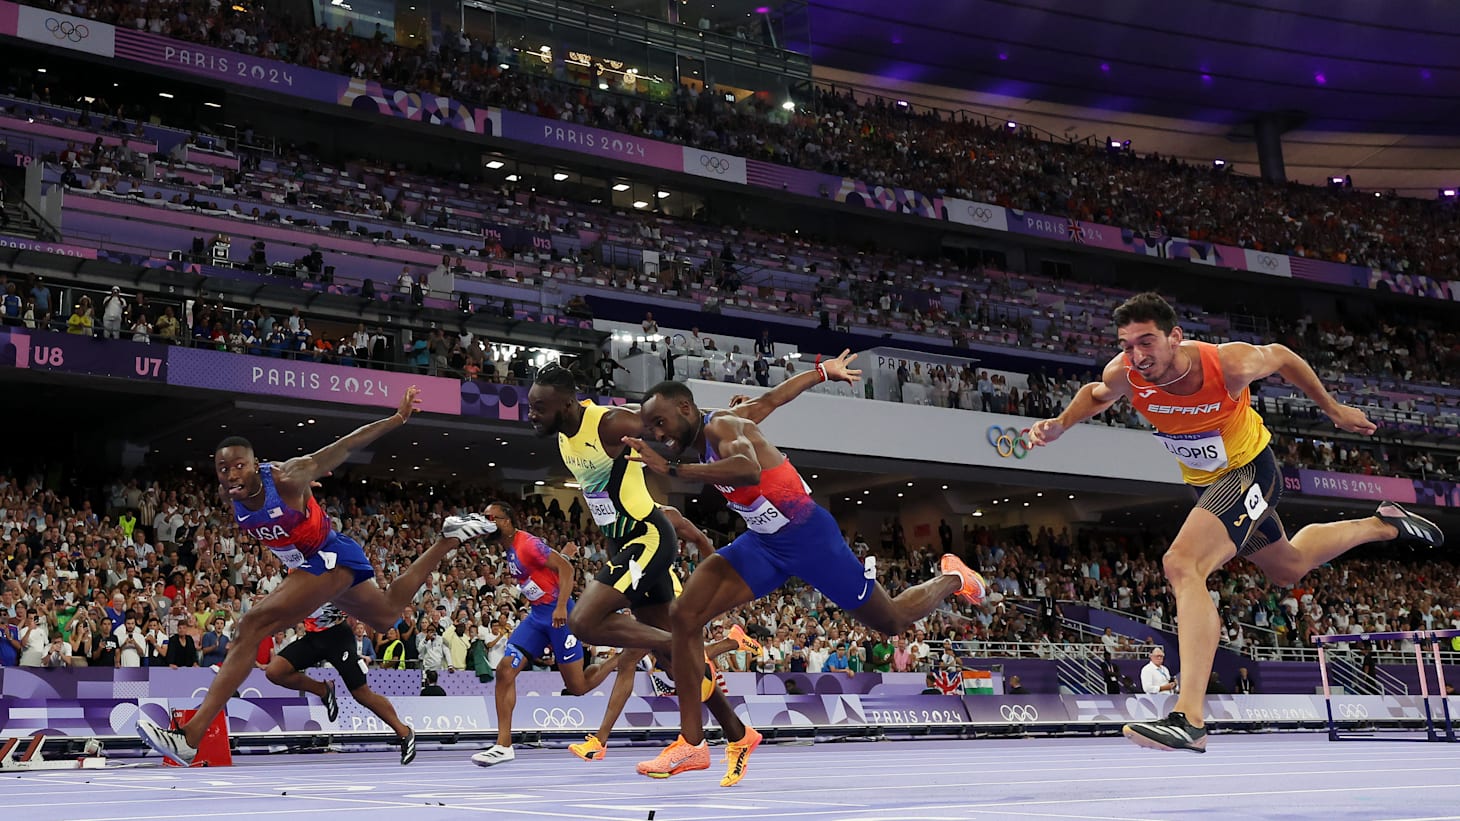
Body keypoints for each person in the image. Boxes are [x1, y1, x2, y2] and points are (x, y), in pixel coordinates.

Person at [1027, 292, 1445, 753]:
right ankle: (1382, 523)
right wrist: (1061, 423)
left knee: (1182, 564)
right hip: (1207, 485)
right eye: (1128, 345)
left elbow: (1283, 357)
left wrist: (1333, 409)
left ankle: (1188, 717)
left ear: (1175, 338)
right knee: (1288, 566)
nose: (1137, 355)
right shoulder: (1124, 373)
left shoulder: (1226, 365)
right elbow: (1097, 394)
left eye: (1147, 342)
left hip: (1249, 471)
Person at [627, 354, 986, 783]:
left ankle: (953, 577)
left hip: (811, 540)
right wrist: (819, 372)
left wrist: (670, 468)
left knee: (891, 621)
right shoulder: (733, 418)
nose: (658, 435)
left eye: (661, 424)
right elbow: (773, 399)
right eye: (651, 430)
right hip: (764, 544)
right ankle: (693, 743)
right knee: (684, 616)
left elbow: (747, 469)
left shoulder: (722, 427)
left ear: (686, 410)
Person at [137, 387, 498, 764]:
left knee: (250, 626)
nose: (231, 474)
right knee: (388, 613)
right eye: (223, 469)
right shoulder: (232, 492)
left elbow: (342, 447)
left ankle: (190, 736)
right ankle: (448, 539)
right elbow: (257, 494)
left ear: (254, 462)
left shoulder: (289, 477)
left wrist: (396, 419)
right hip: (322, 561)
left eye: (239, 465)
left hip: (328, 557)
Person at [525, 365, 756, 784]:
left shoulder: (611, 423)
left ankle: (680, 645)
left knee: (584, 621)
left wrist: (726, 416)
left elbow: (677, 428)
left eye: (539, 408)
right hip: (622, 543)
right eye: (530, 408)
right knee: (672, 665)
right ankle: (738, 734)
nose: (532, 415)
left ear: (567, 403)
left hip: (647, 537)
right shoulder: (563, 434)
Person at [469, 502, 622, 767]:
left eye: (490, 518)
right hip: (538, 618)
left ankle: (618, 660)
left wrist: (562, 606)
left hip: (560, 618)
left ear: (506, 522)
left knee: (577, 687)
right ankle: (503, 745)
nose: (486, 522)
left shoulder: (526, 543)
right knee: (505, 669)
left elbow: (566, 569)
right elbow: (547, 568)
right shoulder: (509, 547)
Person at [266, 602, 419, 764]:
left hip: (339, 638)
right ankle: (323, 690)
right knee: (275, 672)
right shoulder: (294, 577)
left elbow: (354, 590)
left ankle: (404, 732)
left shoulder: (330, 576)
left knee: (362, 693)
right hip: (312, 639)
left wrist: (354, 613)